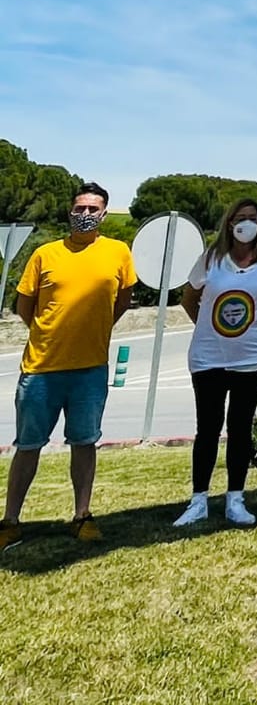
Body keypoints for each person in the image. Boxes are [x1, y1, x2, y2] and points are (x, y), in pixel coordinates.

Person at [0, 183, 137, 551]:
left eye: (93, 209)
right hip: (42, 368)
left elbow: (122, 300)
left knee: (84, 442)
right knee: (28, 445)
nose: (86, 215)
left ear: (104, 213)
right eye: (79, 208)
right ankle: (10, 521)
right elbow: (23, 306)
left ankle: (82, 516)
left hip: (90, 370)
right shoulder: (46, 254)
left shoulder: (118, 253)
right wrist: (48, 332)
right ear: (69, 212)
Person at [174, 197, 257, 529]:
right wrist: (209, 324)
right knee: (207, 428)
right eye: (241, 218)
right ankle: (198, 500)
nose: (247, 224)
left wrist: (254, 325)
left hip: (252, 358)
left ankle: (235, 498)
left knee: (240, 427)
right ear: (229, 223)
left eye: (253, 218)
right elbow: (189, 296)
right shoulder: (211, 258)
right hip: (209, 356)